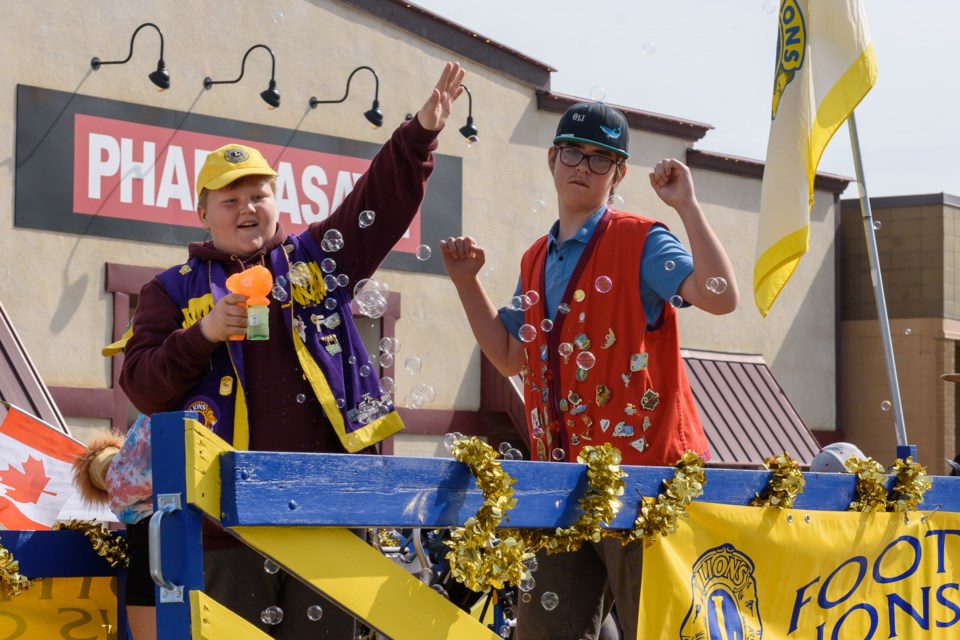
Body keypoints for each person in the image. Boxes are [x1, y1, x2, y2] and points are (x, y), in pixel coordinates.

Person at [114, 61, 466, 640]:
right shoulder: (171, 289)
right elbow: (142, 385)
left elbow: (374, 206)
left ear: (278, 203)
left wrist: (418, 134)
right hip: (223, 517)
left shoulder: (316, 261)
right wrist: (201, 336)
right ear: (202, 212)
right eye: (229, 200)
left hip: (330, 505)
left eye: (259, 195)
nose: (247, 208)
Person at [440, 101, 738, 640]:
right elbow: (511, 355)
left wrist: (687, 206)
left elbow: (721, 298)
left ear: (619, 174)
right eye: (573, 152)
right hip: (561, 482)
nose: (583, 166)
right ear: (552, 159)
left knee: (663, 629)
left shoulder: (642, 238)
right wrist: (466, 282)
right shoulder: (536, 256)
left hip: (644, 483)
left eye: (602, 159)